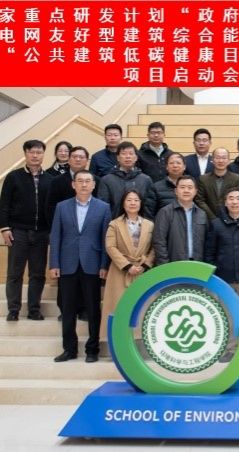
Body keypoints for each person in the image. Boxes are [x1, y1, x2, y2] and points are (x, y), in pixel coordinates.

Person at [49, 170, 112, 363]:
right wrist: (54, 263)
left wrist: (104, 264)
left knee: (93, 309)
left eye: (87, 181)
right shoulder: (62, 207)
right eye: (80, 181)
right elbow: (56, 236)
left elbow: (105, 239)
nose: (84, 184)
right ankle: (69, 349)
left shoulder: (103, 207)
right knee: (67, 309)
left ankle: (92, 349)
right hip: (67, 264)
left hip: (92, 264)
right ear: (73, 184)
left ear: (93, 185)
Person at [0, 139, 53, 322]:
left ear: (43, 154)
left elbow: (52, 208)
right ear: (25, 154)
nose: (35, 155)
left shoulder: (50, 180)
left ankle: (34, 310)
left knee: (37, 274)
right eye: (32, 152)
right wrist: (5, 228)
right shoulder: (13, 177)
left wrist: (51, 231)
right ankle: (13, 309)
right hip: (18, 232)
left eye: (39, 152)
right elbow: (4, 204)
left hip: (41, 233)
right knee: (15, 273)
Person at [45, 145, 98, 321]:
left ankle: (83, 309)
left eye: (81, 157)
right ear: (69, 159)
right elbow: (50, 207)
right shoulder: (57, 181)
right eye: (74, 156)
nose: (78, 159)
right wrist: (58, 228)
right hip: (67, 236)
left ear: (87, 160)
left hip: (88, 240)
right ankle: (66, 310)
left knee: (86, 279)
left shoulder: (94, 180)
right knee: (66, 280)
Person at [101, 190, 155, 340]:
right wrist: (127, 266)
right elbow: (110, 246)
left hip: (142, 271)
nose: (133, 203)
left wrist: (145, 265)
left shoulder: (149, 225)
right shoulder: (114, 224)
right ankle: (118, 342)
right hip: (120, 272)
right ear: (123, 204)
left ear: (141, 203)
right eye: (129, 200)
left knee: (141, 307)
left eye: (136, 200)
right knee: (118, 308)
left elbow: (154, 248)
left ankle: (138, 343)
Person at [205, 188, 239, 324]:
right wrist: (213, 273)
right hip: (223, 278)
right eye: (231, 198)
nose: (234, 202)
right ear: (225, 203)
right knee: (226, 316)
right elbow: (209, 252)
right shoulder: (216, 224)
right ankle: (229, 340)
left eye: (238, 198)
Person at [152, 176, 209, 264]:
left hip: (197, 265)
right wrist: (165, 265)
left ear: (195, 191)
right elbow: (159, 242)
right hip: (173, 265)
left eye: (190, 187)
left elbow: (207, 242)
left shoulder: (201, 214)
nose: (186, 190)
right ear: (176, 191)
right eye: (182, 187)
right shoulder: (165, 212)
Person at [97, 141, 154, 219]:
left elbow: (150, 207)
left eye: (131, 154)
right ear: (118, 157)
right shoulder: (107, 180)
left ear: (136, 158)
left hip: (140, 223)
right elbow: (103, 207)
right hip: (114, 223)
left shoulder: (145, 180)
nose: (128, 157)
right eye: (124, 154)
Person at [195, 147, 239, 221]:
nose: (221, 161)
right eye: (217, 158)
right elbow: (199, 200)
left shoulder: (237, 179)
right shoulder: (203, 179)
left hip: (231, 219)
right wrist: (212, 218)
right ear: (212, 160)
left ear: (229, 161)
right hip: (208, 219)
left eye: (224, 158)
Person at [149, 152, 186, 217]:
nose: (175, 166)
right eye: (171, 163)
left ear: (184, 167)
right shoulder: (156, 187)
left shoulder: (191, 186)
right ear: (167, 167)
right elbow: (149, 213)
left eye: (178, 163)